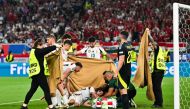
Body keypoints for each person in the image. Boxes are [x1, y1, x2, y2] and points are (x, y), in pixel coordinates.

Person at [21, 38, 57, 109]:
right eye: (42, 45)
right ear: (39, 45)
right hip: (39, 73)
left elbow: (44, 51)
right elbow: (46, 50)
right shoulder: (38, 51)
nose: (43, 46)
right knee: (46, 90)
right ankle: (51, 106)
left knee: (32, 90)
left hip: (34, 74)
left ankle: (24, 105)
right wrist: (55, 46)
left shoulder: (33, 51)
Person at [148, 30, 166, 108]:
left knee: (157, 88)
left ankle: (159, 103)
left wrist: (149, 35)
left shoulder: (158, 49)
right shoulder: (153, 53)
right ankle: (156, 102)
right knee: (154, 88)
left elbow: (153, 42)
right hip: (155, 72)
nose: (150, 46)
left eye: (151, 45)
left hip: (159, 71)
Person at [115, 31, 132, 109]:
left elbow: (121, 60)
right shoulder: (129, 45)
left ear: (121, 36)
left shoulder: (122, 46)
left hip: (123, 71)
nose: (118, 36)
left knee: (123, 91)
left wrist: (116, 72)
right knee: (123, 90)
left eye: (119, 35)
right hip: (128, 70)